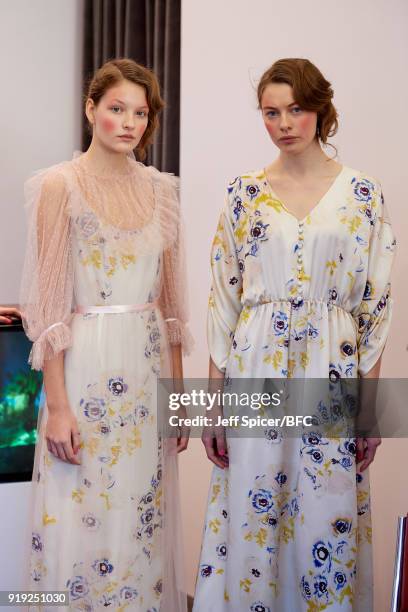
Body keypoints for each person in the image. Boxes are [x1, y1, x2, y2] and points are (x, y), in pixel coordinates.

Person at [193, 58, 396, 611]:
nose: (284, 123)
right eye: (271, 112)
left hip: (331, 379)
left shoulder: (363, 196)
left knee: (323, 522)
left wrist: (370, 410)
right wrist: (213, 406)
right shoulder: (244, 195)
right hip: (254, 374)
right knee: (255, 518)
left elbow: (373, 311)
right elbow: (223, 305)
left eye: (296, 109)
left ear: (320, 110)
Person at [20, 58, 192, 611]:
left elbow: (170, 306)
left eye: (141, 113)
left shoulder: (163, 191)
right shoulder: (57, 186)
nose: (129, 123)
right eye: (117, 109)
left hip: (145, 377)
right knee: (79, 510)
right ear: (91, 108)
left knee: (137, 516)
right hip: (85, 367)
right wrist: (59, 406)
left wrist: (179, 398)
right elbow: (47, 305)